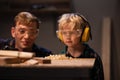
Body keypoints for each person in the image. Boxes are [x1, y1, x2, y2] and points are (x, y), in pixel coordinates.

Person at [56, 13, 104, 80]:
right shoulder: (61, 57)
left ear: (84, 34)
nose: (68, 36)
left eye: (72, 32)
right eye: (64, 33)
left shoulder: (93, 57)